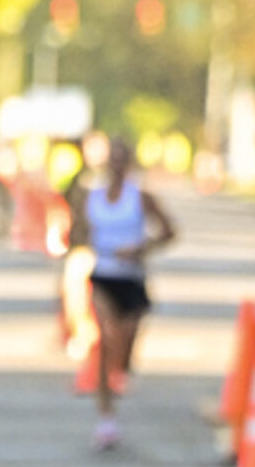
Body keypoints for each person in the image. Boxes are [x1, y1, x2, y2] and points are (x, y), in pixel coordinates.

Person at [71, 133, 177, 450]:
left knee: (124, 347)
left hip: (131, 279)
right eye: (112, 158)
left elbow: (169, 232)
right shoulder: (92, 197)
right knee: (107, 338)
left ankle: (117, 378)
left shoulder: (140, 197)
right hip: (102, 276)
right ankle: (105, 416)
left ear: (129, 163)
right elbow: (76, 233)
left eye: (122, 159)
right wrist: (80, 238)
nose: (116, 165)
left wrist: (140, 249)